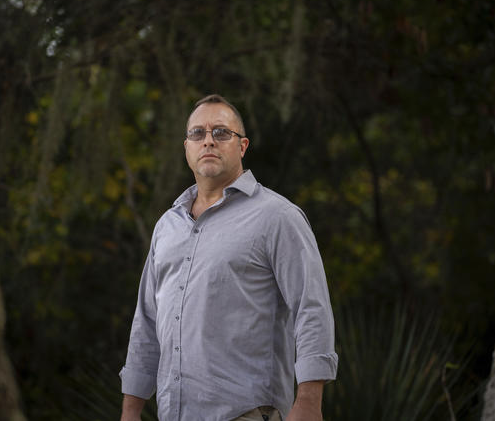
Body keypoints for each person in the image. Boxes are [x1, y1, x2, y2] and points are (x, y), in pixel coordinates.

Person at [120, 94, 337, 421]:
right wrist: (130, 411)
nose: (208, 140)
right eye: (198, 134)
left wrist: (309, 400)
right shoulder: (167, 226)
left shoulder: (277, 217)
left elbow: (311, 307)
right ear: (187, 148)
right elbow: (146, 323)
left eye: (221, 132)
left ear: (242, 146)